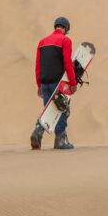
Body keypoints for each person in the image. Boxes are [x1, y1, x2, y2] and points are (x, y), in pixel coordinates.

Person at [30, 16, 78, 150]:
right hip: (58, 84)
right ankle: (60, 140)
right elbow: (68, 63)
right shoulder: (65, 40)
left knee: (49, 112)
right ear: (66, 28)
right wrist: (73, 82)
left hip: (44, 83)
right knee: (62, 109)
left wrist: (39, 85)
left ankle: (37, 132)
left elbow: (37, 66)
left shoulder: (42, 42)